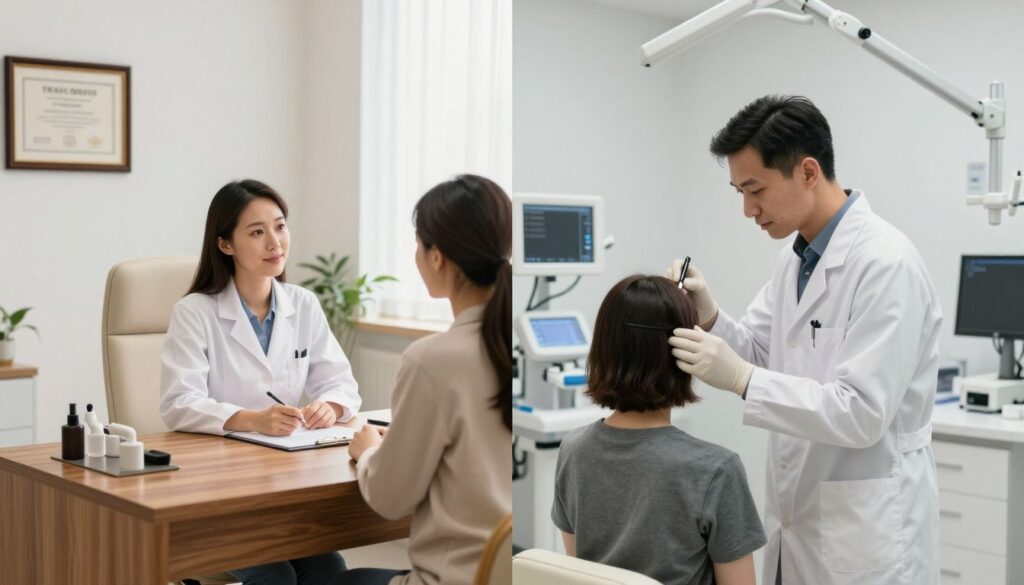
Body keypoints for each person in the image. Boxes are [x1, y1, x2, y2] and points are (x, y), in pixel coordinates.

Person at [667, 95, 942, 585]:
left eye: (756, 190)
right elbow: (759, 350)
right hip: (800, 522)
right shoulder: (797, 258)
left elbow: (862, 413)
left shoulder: (885, 264)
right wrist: (710, 315)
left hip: (865, 533)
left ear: (808, 172)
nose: (748, 209)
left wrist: (743, 379)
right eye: (739, 193)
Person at [160, 179, 361, 585]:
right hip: (216, 492)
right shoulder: (195, 312)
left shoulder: (302, 304)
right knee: (277, 579)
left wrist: (331, 406)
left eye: (280, 226)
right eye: (257, 232)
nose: (275, 242)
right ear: (225, 245)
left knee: (330, 571)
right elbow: (178, 402)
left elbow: (341, 383)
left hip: (283, 487)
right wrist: (253, 419)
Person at [339, 174, 512, 585]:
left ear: (438, 257)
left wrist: (367, 452)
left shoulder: (432, 360)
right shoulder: (511, 341)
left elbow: (390, 498)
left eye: (418, 243)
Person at [552, 275, 765, 585]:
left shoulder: (572, 451)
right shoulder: (715, 470)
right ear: (686, 356)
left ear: (602, 350)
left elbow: (581, 573)